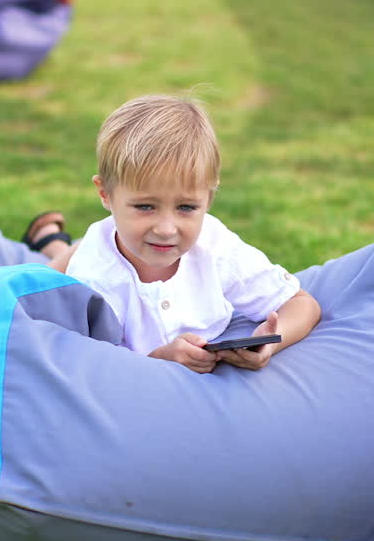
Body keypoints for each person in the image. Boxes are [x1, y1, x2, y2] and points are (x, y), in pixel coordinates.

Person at [21, 94, 320, 374]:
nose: (166, 229)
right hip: (98, 267)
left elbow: (301, 304)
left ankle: (52, 238)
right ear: (105, 194)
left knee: (87, 245)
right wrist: (159, 358)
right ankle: (53, 241)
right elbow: (90, 368)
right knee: (54, 269)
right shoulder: (94, 277)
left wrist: (271, 343)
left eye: (187, 207)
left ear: (209, 199)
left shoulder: (215, 246)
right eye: (146, 206)